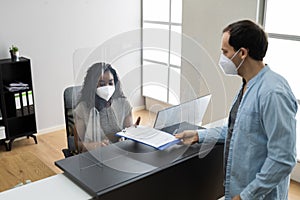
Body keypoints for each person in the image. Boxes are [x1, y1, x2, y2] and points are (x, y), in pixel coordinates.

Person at [175, 19, 298, 200]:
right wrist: (198, 135)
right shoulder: (248, 85)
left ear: (242, 53)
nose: (222, 58)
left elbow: (283, 159)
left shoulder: (273, 93)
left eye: (225, 52)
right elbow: (237, 130)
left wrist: (246, 196)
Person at [74, 62, 137, 151]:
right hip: (95, 155)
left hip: (120, 153)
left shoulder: (123, 104)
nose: (107, 88)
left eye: (111, 83)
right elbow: (77, 144)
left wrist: (131, 134)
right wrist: (94, 145)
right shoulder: (82, 109)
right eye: (102, 84)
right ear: (92, 86)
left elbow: (129, 133)